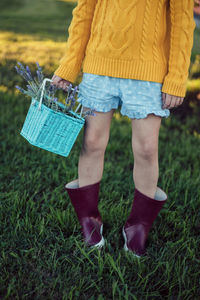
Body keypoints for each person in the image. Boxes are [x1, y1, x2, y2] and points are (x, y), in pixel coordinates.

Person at [51, 0, 196, 257]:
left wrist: (175, 77)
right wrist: (71, 63)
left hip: (149, 72)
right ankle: (89, 220)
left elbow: (182, 22)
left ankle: (138, 226)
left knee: (147, 149)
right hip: (99, 66)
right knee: (92, 142)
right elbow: (84, 11)